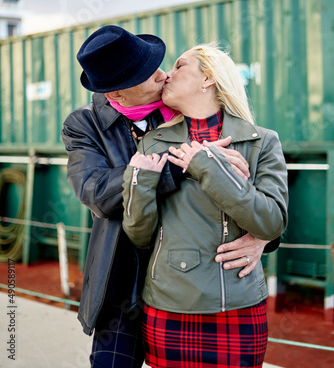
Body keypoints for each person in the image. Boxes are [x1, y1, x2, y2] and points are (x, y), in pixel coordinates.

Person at [62, 26, 276, 368]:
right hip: (125, 283)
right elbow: (97, 192)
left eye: (160, 66)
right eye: (149, 75)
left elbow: (256, 181)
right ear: (120, 93)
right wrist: (184, 166)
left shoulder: (188, 107)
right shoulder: (85, 125)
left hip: (194, 278)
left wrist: (264, 236)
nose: (163, 76)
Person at [122, 43, 289, 368]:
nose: (167, 74)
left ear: (208, 78)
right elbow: (139, 235)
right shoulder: (152, 142)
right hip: (166, 307)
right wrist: (138, 179)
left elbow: (271, 223)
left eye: (180, 66)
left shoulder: (262, 141)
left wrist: (206, 165)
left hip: (237, 307)